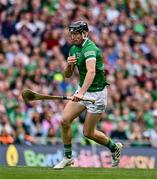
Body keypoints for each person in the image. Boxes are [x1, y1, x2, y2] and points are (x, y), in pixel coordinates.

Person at [54, 21, 124, 169]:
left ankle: (114, 147)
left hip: (96, 95)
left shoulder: (90, 49)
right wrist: (69, 65)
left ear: (84, 34)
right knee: (64, 121)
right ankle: (68, 157)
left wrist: (81, 93)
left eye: (76, 34)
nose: (73, 37)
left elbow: (91, 72)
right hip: (83, 90)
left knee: (88, 132)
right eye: (71, 34)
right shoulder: (73, 49)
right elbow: (67, 75)